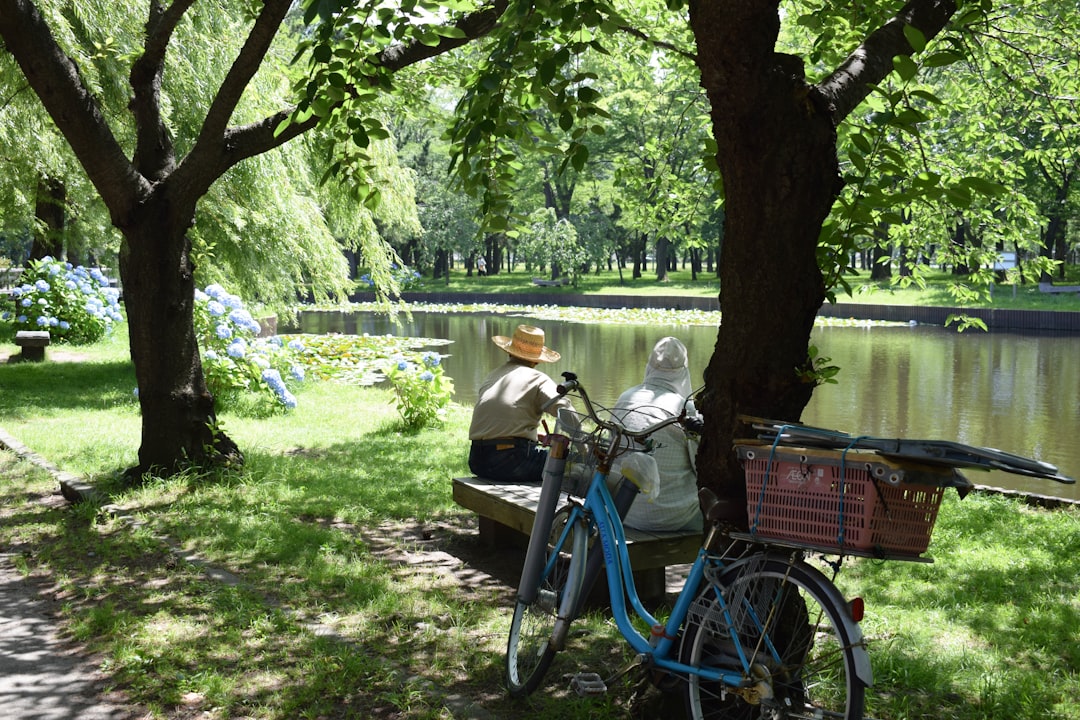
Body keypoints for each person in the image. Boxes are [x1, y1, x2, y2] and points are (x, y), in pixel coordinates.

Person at [613, 336, 704, 532]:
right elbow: (701, 465)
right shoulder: (684, 409)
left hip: (624, 510)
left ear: (649, 367)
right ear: (683, 372)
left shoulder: (625, 397)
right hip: (672, 517)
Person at [468, 324, 573, 483]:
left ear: (510, 352)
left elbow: (499, 418)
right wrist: (585, 448)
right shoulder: (537, 379)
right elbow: (565, 411)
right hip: (512, 462)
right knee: (571, 464)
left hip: (477, 460)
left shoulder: (494, 375)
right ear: (537, 361)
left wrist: (532, 436)